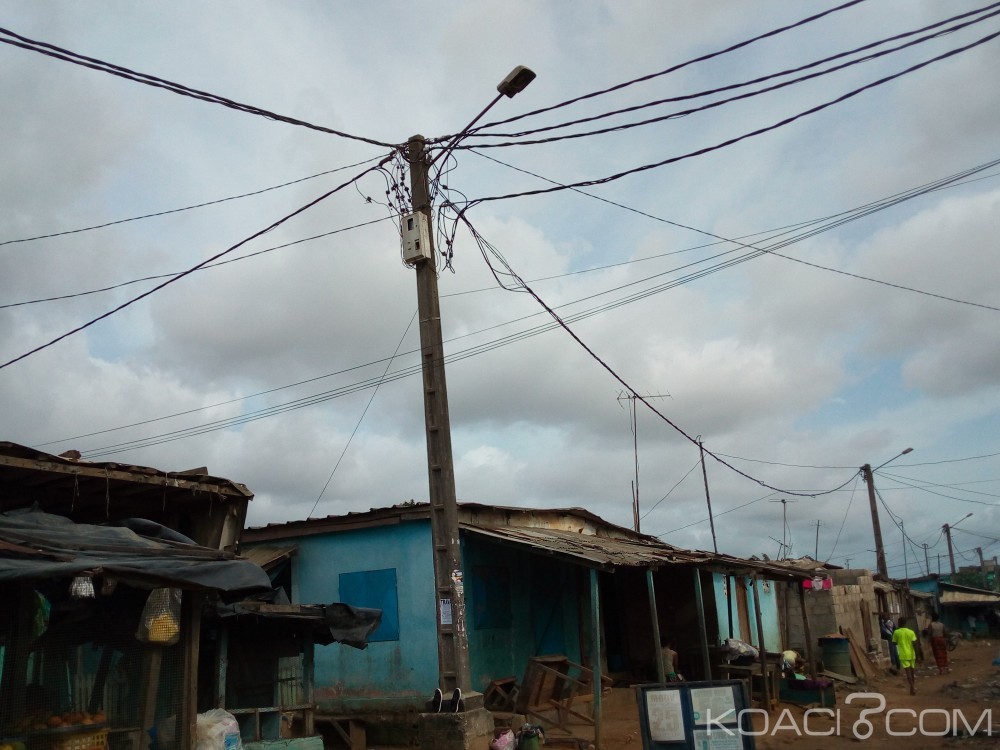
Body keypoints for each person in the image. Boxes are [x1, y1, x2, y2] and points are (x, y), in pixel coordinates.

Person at [892, 616, 918, 695]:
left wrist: (900, 641)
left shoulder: (896, 632)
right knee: (912, 671)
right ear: (906, 623)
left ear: (899, 623)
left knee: (908, 672)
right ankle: (913, 686)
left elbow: (894, 642)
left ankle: (912, 686)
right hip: (912, 653)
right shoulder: (911, 632)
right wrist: (917, 655)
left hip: (903, 654)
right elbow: (915, 644)